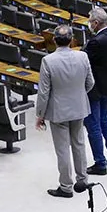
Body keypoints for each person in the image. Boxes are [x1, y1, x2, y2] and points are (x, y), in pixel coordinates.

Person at [35, 24, 95, 198]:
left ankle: (66, 186)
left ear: (54, 40)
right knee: (79, 144)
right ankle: (82, 179)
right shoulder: (82, 56)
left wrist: (40, 114)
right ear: (71, 39)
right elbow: (90, 83)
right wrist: (79, 95)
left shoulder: (48, 61)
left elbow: (44, 92)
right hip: (79, 107)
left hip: (58, 111)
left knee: (62, 149)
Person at [83, 7, 107, 175]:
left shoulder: (96, 42)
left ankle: (100, 163)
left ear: (96, 23)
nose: (89, 24)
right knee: (105, 120)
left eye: (90, 21)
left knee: (93, 125)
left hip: (94, 88)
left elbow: (82, 59)